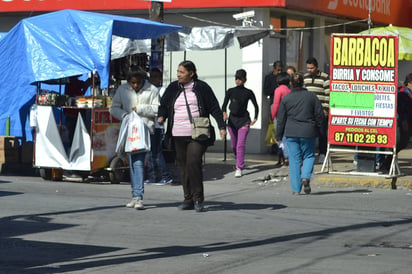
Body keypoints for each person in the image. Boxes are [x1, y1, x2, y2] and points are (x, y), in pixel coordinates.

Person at [157, 60, 226, 212]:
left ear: (191, 73)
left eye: (181, 72)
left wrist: (221, 126)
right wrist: (161, 116)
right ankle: (187, 198)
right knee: (182, 166)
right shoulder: (173, 87)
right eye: (178, 72)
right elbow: (164, 105)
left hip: (198, 133)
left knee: (193, 162)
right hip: (177, 133)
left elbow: (214, 107)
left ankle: (198, 199)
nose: (178, 74)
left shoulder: (201, 87)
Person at [110, 68, 160, 210]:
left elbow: (157, 109)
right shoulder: (122, 89)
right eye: (132, 83)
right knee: (132, 162)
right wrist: (124, 115)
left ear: (143, 81)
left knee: (138, 162)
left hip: (144, 130)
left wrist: (140, 109)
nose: (135, 86)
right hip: (129, 129)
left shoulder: (152, 90)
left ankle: (138, 196)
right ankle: (134, 195)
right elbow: (113, 108)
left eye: (138, 83)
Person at [276, 72, 325, 195]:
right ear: (303, 83)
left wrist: (278, 135)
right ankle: (305, 177)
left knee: (294, 160)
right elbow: (319, 116)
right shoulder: (311, 96)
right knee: (309, 156)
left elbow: (281, 119)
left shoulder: (286, 99)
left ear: (291, 83)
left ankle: (296, 189)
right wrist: (321, 131)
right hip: (308, 131)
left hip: (291, 132)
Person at [222, 69, 259, 178]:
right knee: (234, 145)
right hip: (232, 120)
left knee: (240, 144)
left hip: (244, 120)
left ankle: (239, 167)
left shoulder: (248, 92)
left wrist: (255, 118)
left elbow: (256, 105)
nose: (238, 81)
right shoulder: (230, 91)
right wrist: (224, 113)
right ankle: (238, 160)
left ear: (245, 80)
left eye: (240, 79)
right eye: (236, 79)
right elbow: (224, 105)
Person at [144, 68, 173, 185]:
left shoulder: (162, 90)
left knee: (156, 152)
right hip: (149, 124)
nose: (153, 79)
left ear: (160, 78)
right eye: (151, 77)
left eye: (156, 77)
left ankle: (165, 175)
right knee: (150, 152)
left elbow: (164, 106)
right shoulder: (149, 90)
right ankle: (152, 176)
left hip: (157, 125)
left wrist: (162, 117)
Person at [303, 57, 330, 164]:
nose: (310, 70)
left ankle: (323, 153)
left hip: (321, 110)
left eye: (312, 68)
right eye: (308, 68)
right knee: (309, 132)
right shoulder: (305, 78)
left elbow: (328, 94)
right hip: (308, 111)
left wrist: (326, 109)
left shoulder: (325, 78)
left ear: (316, 67)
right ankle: (309, 153)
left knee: (322, 133)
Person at [271, 72, 291, 167]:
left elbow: (275, 105)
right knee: (286, 137)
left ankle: (283, 157)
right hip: (289, 117)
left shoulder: (278, 90)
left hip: (279, 117)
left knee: (279, 138)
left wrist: (272, 116)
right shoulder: (289, 90)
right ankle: (287, 157)